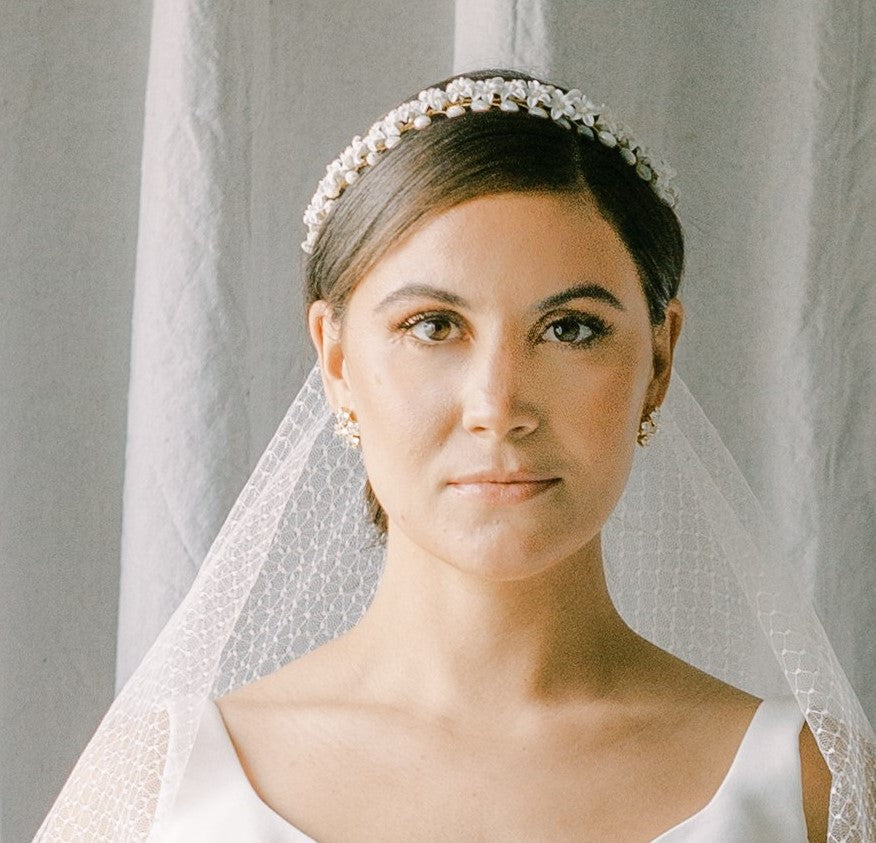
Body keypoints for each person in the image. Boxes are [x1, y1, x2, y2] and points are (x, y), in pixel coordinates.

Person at [37, 71, 873, 842]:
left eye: (569, 328)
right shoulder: (162, 790)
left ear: (658, 360)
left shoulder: (813, 789)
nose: (499, 407)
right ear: (334, 361)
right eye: (434, 326)